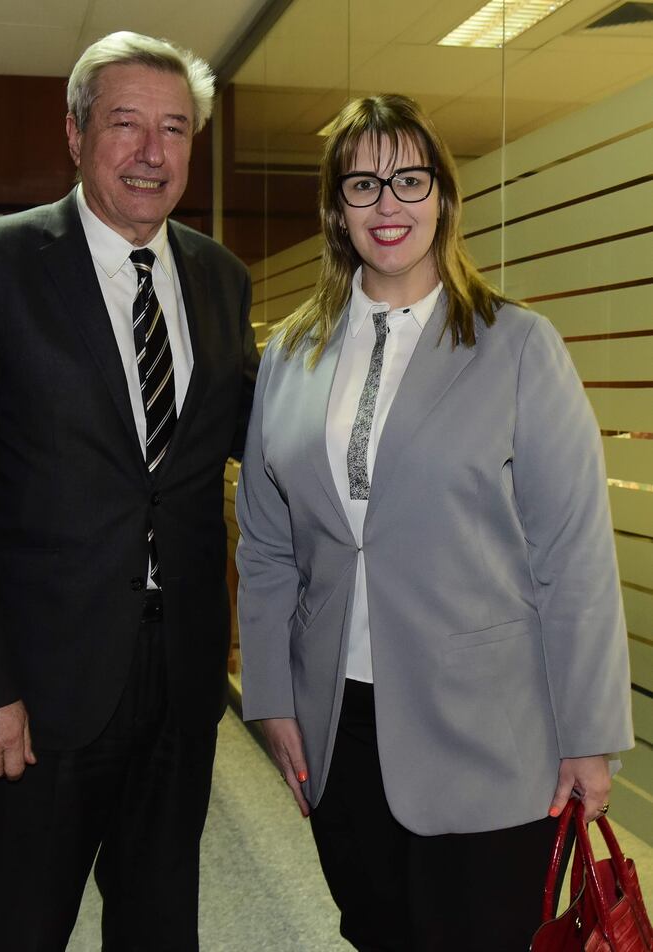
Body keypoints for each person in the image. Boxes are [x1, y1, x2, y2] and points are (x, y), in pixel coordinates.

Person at [235, 93, 634, 952]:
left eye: (410, 180)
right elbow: (266, 545)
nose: (389, 205)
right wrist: (270, 694)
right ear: (336, 211)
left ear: (444, 198)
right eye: (363, 184)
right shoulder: (291, 357)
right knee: (375, 931)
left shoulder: (517, 345)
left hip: (489, 727)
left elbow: (573, 557)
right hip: (340, 720)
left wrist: (590, 737)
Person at [0, 31, 258, 952]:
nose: (153, 153)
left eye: (176, 129)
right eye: (126, 125)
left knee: (159, 925)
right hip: (40, 686)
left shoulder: (222, 280)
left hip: (181, 676)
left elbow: (257, 448)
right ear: (74, 135)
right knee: (25, 925)